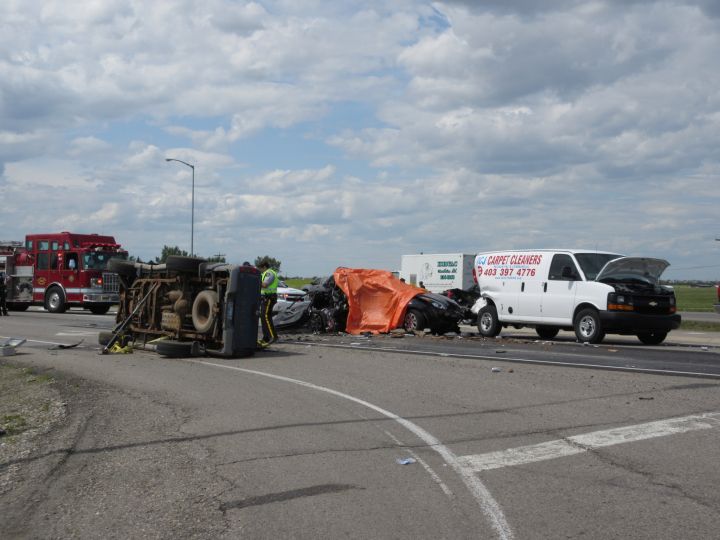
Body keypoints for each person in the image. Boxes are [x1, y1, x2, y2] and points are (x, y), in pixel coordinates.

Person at [257, 262, 279, 347]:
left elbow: (265, 285)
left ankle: (272, 336)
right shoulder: (264, 273)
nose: (259, 270)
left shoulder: (269, 273)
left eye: (260, 268)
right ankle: (266, 337)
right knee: (264, 317)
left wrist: (255, 280)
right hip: (266, 298)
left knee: (265, 316)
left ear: (264, 267)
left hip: (269, 297)